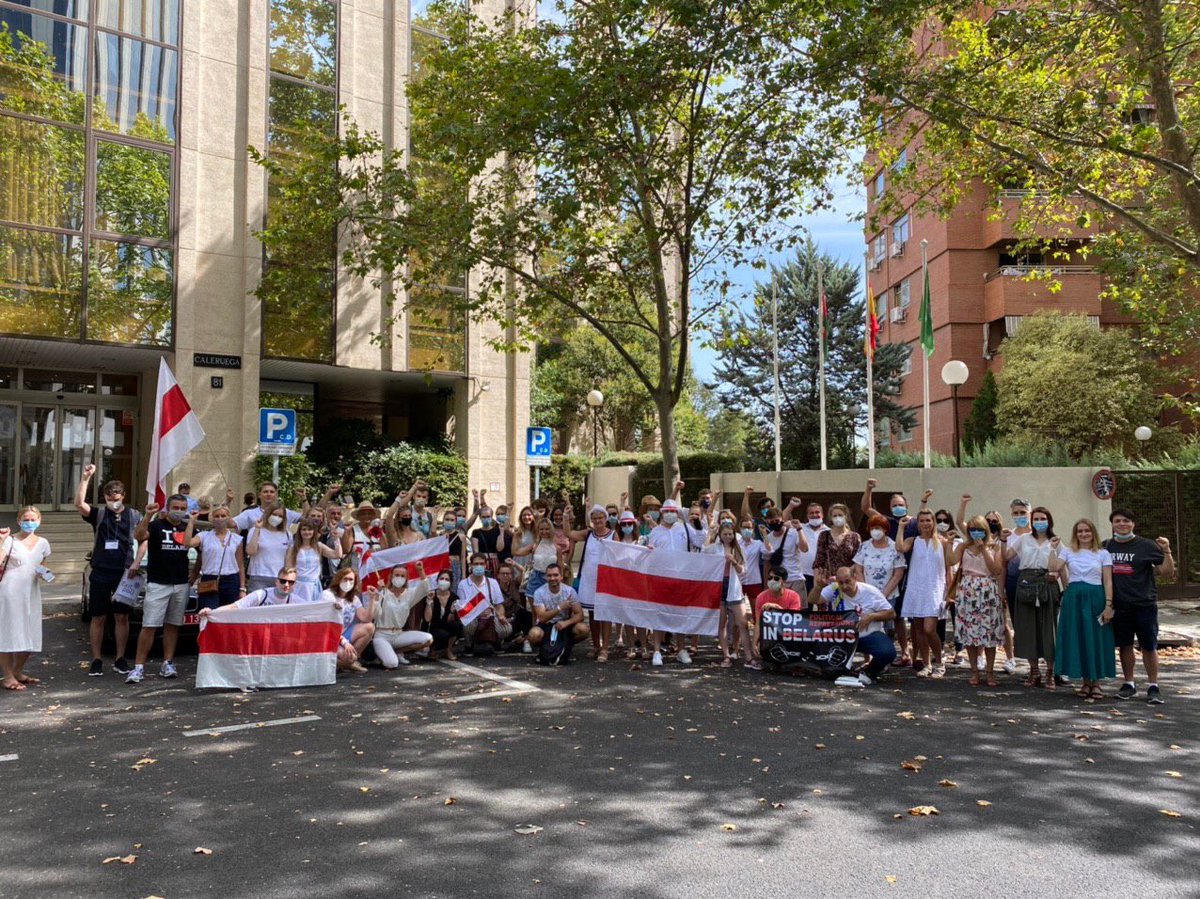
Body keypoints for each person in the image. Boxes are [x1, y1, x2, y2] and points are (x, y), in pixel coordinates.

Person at [76, 464, 143, 677]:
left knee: (122, 617)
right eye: (109, 497)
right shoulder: (99, 514)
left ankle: (120, 658)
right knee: (98, 617)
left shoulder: (134, 515)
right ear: (104, 497)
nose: (113, 500)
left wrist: (137, 563)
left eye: (116, 497)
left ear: (123, 496)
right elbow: (79, 504)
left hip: (125, 573)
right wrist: (86, 478)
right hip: (101, 571)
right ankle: (96, 659)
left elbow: (144, 540)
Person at [1104, 508, 1174, 704]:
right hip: (1120, 605)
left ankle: (1153, 686)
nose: (1122, 524)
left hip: (1144, 604)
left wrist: (1167, 550)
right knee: (1124, 645)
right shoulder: (1106, 547)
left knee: (1149, 646)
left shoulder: (1147, 545)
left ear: (1133, 524)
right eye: (1118, 521)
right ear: (1112, 524)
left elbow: (1167, 572)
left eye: (1126, 520)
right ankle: (1129, 684)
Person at [125, 495, 193, 684]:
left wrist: (195, 574)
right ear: (167, 508)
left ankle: (167, 663)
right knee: (150, 626)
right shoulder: (156, 526)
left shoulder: (187, 527)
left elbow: (200, 548)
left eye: (183, 508)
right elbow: (139, 536)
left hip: (180, 583)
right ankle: (139, 667)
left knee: (173, 625)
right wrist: (148, 516)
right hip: (158, 584)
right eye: (175, 507)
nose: (179, 511)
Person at [1049, 519, 1115, 700]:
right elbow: (1053, 568)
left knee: (1095, 638)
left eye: (1087, 531)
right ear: (1075, 534)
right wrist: (1052, 549)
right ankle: (1085, 682)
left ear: (1093, 533)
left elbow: (1108, 580)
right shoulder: (1067, 552)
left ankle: (1096, 683)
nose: (1084, 534)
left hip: (1096, 597)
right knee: (1079, 637)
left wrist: (1108, 605)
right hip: (1074, 598)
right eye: (1080, 531)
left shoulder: (1103, 554)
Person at [948, 516, 1007, 687]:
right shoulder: (963, 546)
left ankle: (990, 672)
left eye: (979, 529)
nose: (976, 533)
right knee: (970, 633)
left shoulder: (994, 547)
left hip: (987, 590)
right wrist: (949, 543)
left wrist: (984, 550)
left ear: (986, 531)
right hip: (967, 590)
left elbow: (996, 569)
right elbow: (951, 561)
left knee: (989, 633)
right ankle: (974, 671)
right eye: (972, 529)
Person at [1007, 506, 1061, 689]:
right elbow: (1006, 556)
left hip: (1047, 582)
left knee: (1049, 629)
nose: (1039, 522)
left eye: (1042, 518)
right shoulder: (1023, 539)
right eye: (1036, 519)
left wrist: (1064, 585)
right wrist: (1002, 540)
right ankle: (1034, 671)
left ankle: (1051, 672)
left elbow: (1062, 566)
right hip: (1026, 583)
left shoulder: (1055, 541)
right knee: (1028, 628)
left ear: (1049, 520)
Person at [0, 508, 51, 690]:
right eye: (26, 519)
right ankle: (7, 676)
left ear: (39, 520)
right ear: (18, 521)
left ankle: (17, 671)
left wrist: (44, 573)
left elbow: (42, 564)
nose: (29, 523)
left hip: (31, 592)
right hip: (10, 591)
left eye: (33, 519)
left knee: (31, 632)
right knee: (8, 632)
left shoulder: (43, 543)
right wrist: (1, 541)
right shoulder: (10, 541)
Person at [818, 567, 897, 685]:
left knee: (887, 652)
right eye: (841, 583)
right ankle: (842, 670)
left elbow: (891, 613)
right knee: (831, 675)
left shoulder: (870, 591)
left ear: (855, 577)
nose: (844, 586)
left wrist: (872, 617)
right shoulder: (834, 589)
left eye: (847, 581)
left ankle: (870, 671)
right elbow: (813, 600)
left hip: (868, 635)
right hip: (842, 637)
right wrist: (818, 587)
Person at [896, 509, 950, 677]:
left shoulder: (943, 542)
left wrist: (949, 592)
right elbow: (899, 547)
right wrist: (901, 527)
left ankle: (939, 662)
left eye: (928, 520)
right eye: (922, 521)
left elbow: (949, 568)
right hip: (916, 588)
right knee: (918, 628)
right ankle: (926, 664)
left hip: (935, 590)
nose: (925, 523)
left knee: (929, 629)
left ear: (933, 522)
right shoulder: (913, 541)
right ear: (918, 524)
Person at [645, 498, 693, 666]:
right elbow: (649, 553)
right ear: (662, 513)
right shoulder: (655, 532)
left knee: (680, 614)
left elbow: (700, 541)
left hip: (681, 577)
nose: (670, 514)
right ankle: (657, 651)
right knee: (659, 613)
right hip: (661, 579)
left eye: (673, 511)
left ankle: (681, 649)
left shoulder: (684, 529)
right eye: (667, 511)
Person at [565, 503, 615, 661]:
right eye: (595, 518)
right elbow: (568, 533)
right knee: (593, 614)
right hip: (590, 579)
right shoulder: (588, 534)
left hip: (607, 580)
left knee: (605, 614)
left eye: (601, 518)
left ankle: (605, 648)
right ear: (591, 520)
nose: (598, 521)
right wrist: (566, 517)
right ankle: (596, 646)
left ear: (606, 518)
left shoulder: (614, 535)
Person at [705, 521, 756, 669]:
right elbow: (704, 550)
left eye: (730, 534)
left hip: (734, 589)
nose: (728, 536)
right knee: (722, 624)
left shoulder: (738, 549)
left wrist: (734, 561)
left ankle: (748, 657)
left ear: (734, 535)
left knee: (743, 624)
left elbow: (743, 571)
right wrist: (710, 534)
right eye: (725, 534)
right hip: (718, 588)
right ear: (720, 535)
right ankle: (726, 655)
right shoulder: (715, 548)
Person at [851, 514, 907, 636]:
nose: (874, 531)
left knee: (887, 629)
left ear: (885, 529)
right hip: (866, 596)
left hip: (888, 595)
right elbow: (858, 570)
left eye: (877, 528)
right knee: (866, 626)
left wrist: (882, 595)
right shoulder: (864, 546)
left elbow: (898, 574)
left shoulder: (894, 547)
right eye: (872, 528)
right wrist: (866, 592)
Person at [371, 562, 434, 668]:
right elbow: (374, 615)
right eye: (396, 575)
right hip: (382, 635)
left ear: (406, 578)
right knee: (392, 664)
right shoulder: (383, 593)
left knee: (428, 638)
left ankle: (398, 651)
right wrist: (378, 594)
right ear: (391, 576)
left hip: (398, 634)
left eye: (402, 576)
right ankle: (384, 653)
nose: (399, 578)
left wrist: (420, 570)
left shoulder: (409, 594)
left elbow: (425, 589)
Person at [527, 563, 589, 663]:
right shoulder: (539, 592)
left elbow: (580, 615)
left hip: (564, 624)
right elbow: (542, 618)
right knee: (533, 634)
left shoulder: (569, 591)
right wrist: (560, 607)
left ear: (561, 576)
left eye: (555, 575)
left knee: (583, 629)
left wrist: (566, 623)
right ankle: (545, 649)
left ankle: (566, 647)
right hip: (546, 624)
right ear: (546, 577)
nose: (552, 578)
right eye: (549, 575)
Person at [187, 504, 245, 607]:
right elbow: (188, 543)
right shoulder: (203, 536)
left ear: (228, 518)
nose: (220, 518)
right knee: (208, 611)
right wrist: (191, 522)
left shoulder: (236, 539)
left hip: (231, 580)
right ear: (212, 519)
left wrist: (242, 588)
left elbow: (240, 565)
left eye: (223, 516)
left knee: (228, 612)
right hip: (209, 579)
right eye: (216, 516)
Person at [453, 554, 510, 655]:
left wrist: (501, 616)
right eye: (476, 564)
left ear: (485, 565)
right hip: (472, 617)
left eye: (481, 563)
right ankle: (468, 644)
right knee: (468, 624)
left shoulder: (492, 582)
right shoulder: (463, 584)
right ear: (471, 565)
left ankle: (496, 642)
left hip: (490, 617)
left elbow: (499, 605)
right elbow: (462, 608)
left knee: (506, 628)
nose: (479, 566)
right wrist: (478, 612)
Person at [323, 569, 375, 673]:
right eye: (345, 579)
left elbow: (366, 618)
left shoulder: (354, 599)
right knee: (348, 658)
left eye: (351, 580)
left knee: (370, 627)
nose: (348, 582)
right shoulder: (327, 595)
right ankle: (337, 663)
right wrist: (344, 642)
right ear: (338, 579)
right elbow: (327, 626)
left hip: (344, 634)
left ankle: (350, 661)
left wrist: (372, 599)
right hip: (330, 636)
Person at [198, 566, 299, 614]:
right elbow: (235, 606)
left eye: (291, 582)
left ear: (295, 585)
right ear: (276, 582)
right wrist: (212, 611)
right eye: (283, 581)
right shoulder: (261, 595)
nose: (286, 585)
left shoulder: (297, 601)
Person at [286, 519, 341, 603]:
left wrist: (336, 539)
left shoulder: (318, 546)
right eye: (304, 529)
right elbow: (288, 568)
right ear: (299, 532)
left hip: (314, 586)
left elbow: (337, 555)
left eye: (309, 529)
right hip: (298, 586)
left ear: (313, 531)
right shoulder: (293, 548)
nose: (307, 532)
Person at [762, 502, 809, 596]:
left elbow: (805, 549)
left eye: (777, 520)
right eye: (771, 522)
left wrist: (799, 529)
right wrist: (766, 583)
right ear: (767, 522)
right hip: (778, 581)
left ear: (782, 519)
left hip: (795, 578)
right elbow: (767, 563)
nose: (775, 523)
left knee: (798, 605)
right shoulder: (768, 538)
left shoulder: (793, 533)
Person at [245, 503, 294, 593]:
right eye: (274, 514)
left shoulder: (287, 534)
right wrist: (257, 529)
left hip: (279, 578)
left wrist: (287, 577)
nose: (277, 518)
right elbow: (251, 551)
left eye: (280, 516)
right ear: (268, 514)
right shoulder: (255, 530)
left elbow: (288, 559)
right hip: (258, 576)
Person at [812, 503, 861, 592]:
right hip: (828, 582)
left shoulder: (854, 537)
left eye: (840, 515)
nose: (837, 518)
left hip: (847, 582)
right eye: (835, 516)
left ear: (846, 516)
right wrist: (817, 586)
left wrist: (841, 576)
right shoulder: (824, 535)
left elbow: (857, 562)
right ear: (831, 518)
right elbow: (818, 562)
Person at [514, 517, 560, 610]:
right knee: (535, 611)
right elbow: (516, 552)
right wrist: (515, 536)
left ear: (551, 529)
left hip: (551, 579)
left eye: (547, 529)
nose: (544, 531)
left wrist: (560, 581)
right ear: (538, 530)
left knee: (549, 610)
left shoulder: (556, 547)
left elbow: (560, 566)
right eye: (541, 529)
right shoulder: (535, 546)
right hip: (535, 578)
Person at [783, 500, 828, 593]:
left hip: (822, 575)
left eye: (817, 512)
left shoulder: (829, 531)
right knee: (804, 602)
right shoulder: (799, 527)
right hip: (803, 575)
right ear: (807, 515)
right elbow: (781, 520)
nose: (814, 515)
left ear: (822, 515)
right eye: (811, 513)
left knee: (821, 602)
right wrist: (791, 506)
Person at [342, 500, 388, 573]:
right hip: (357, 570)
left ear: (373, 515)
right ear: (358, 516)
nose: (367, 516)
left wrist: (375, 551)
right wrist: (346, 532)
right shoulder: (353, 530)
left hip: (376, 570)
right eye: (363, 514)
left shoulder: (378, 530)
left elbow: (385, 551)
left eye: (369, 514)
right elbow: (346, 550)